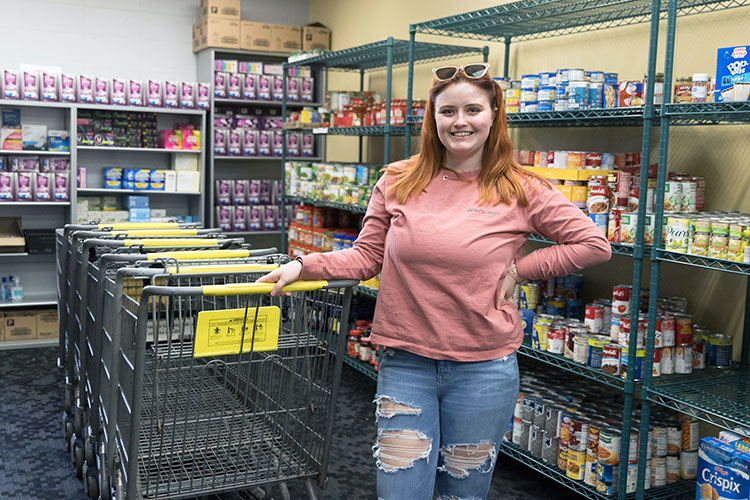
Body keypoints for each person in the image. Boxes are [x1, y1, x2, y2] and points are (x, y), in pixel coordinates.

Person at [258, 63, 612, 499]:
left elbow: (594, 245)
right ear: (433, 116)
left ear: (494, 113)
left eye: (472, 109)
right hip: (407, 363)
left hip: (484, 368)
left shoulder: (522, 188)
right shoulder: (398, 180)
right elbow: (368, 256)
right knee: (399, 490)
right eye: (448, 111)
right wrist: (302, 267)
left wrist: (523, 270)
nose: (460, 121)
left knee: (462, 492)